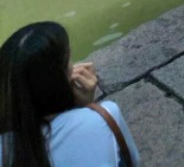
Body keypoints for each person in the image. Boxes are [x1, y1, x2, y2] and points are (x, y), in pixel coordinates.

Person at [0, 21, 140, 167]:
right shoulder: (106, 116)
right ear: (59, 79)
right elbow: (134, 161)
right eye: (68, 61)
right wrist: (89, 107)